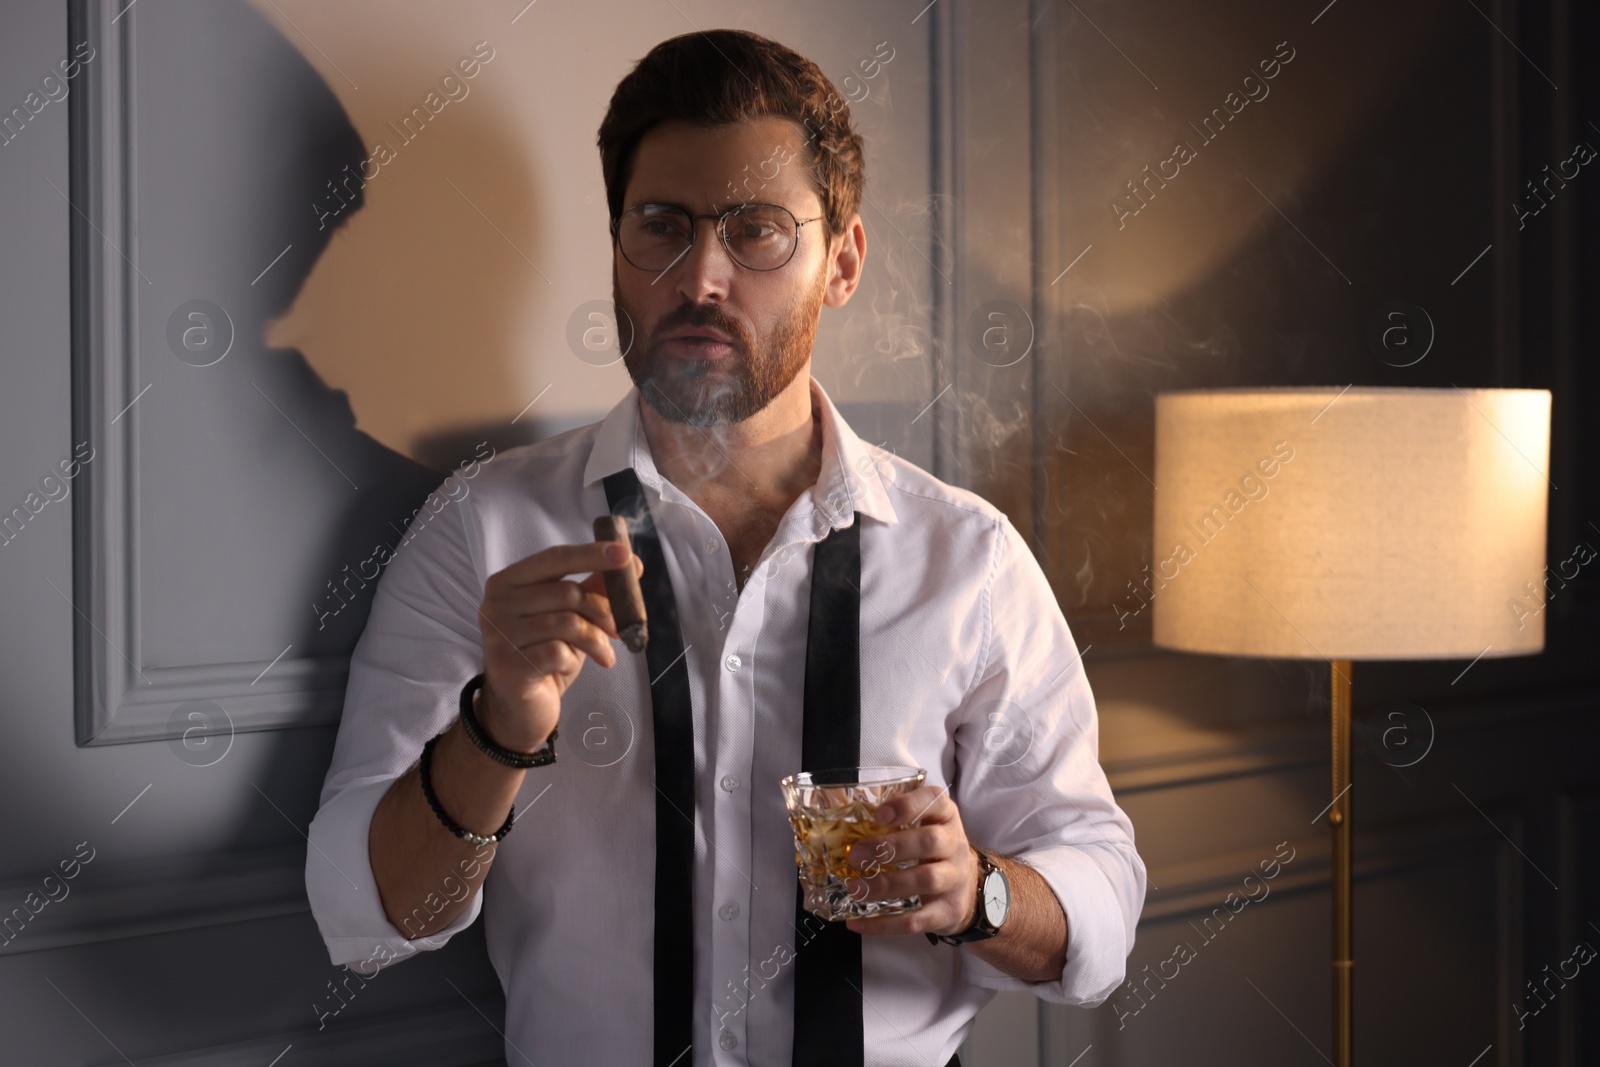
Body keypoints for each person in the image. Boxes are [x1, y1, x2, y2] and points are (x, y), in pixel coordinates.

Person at [305, 28, 1145, 1067]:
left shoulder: (966, 559)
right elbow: (368, 914)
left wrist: (978, 891)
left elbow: (1101, 899)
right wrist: (498, 726)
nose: (699, 275)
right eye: (660, 225)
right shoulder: (484, 529)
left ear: (840, 262)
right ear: (616, 247)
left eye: (755, 232)